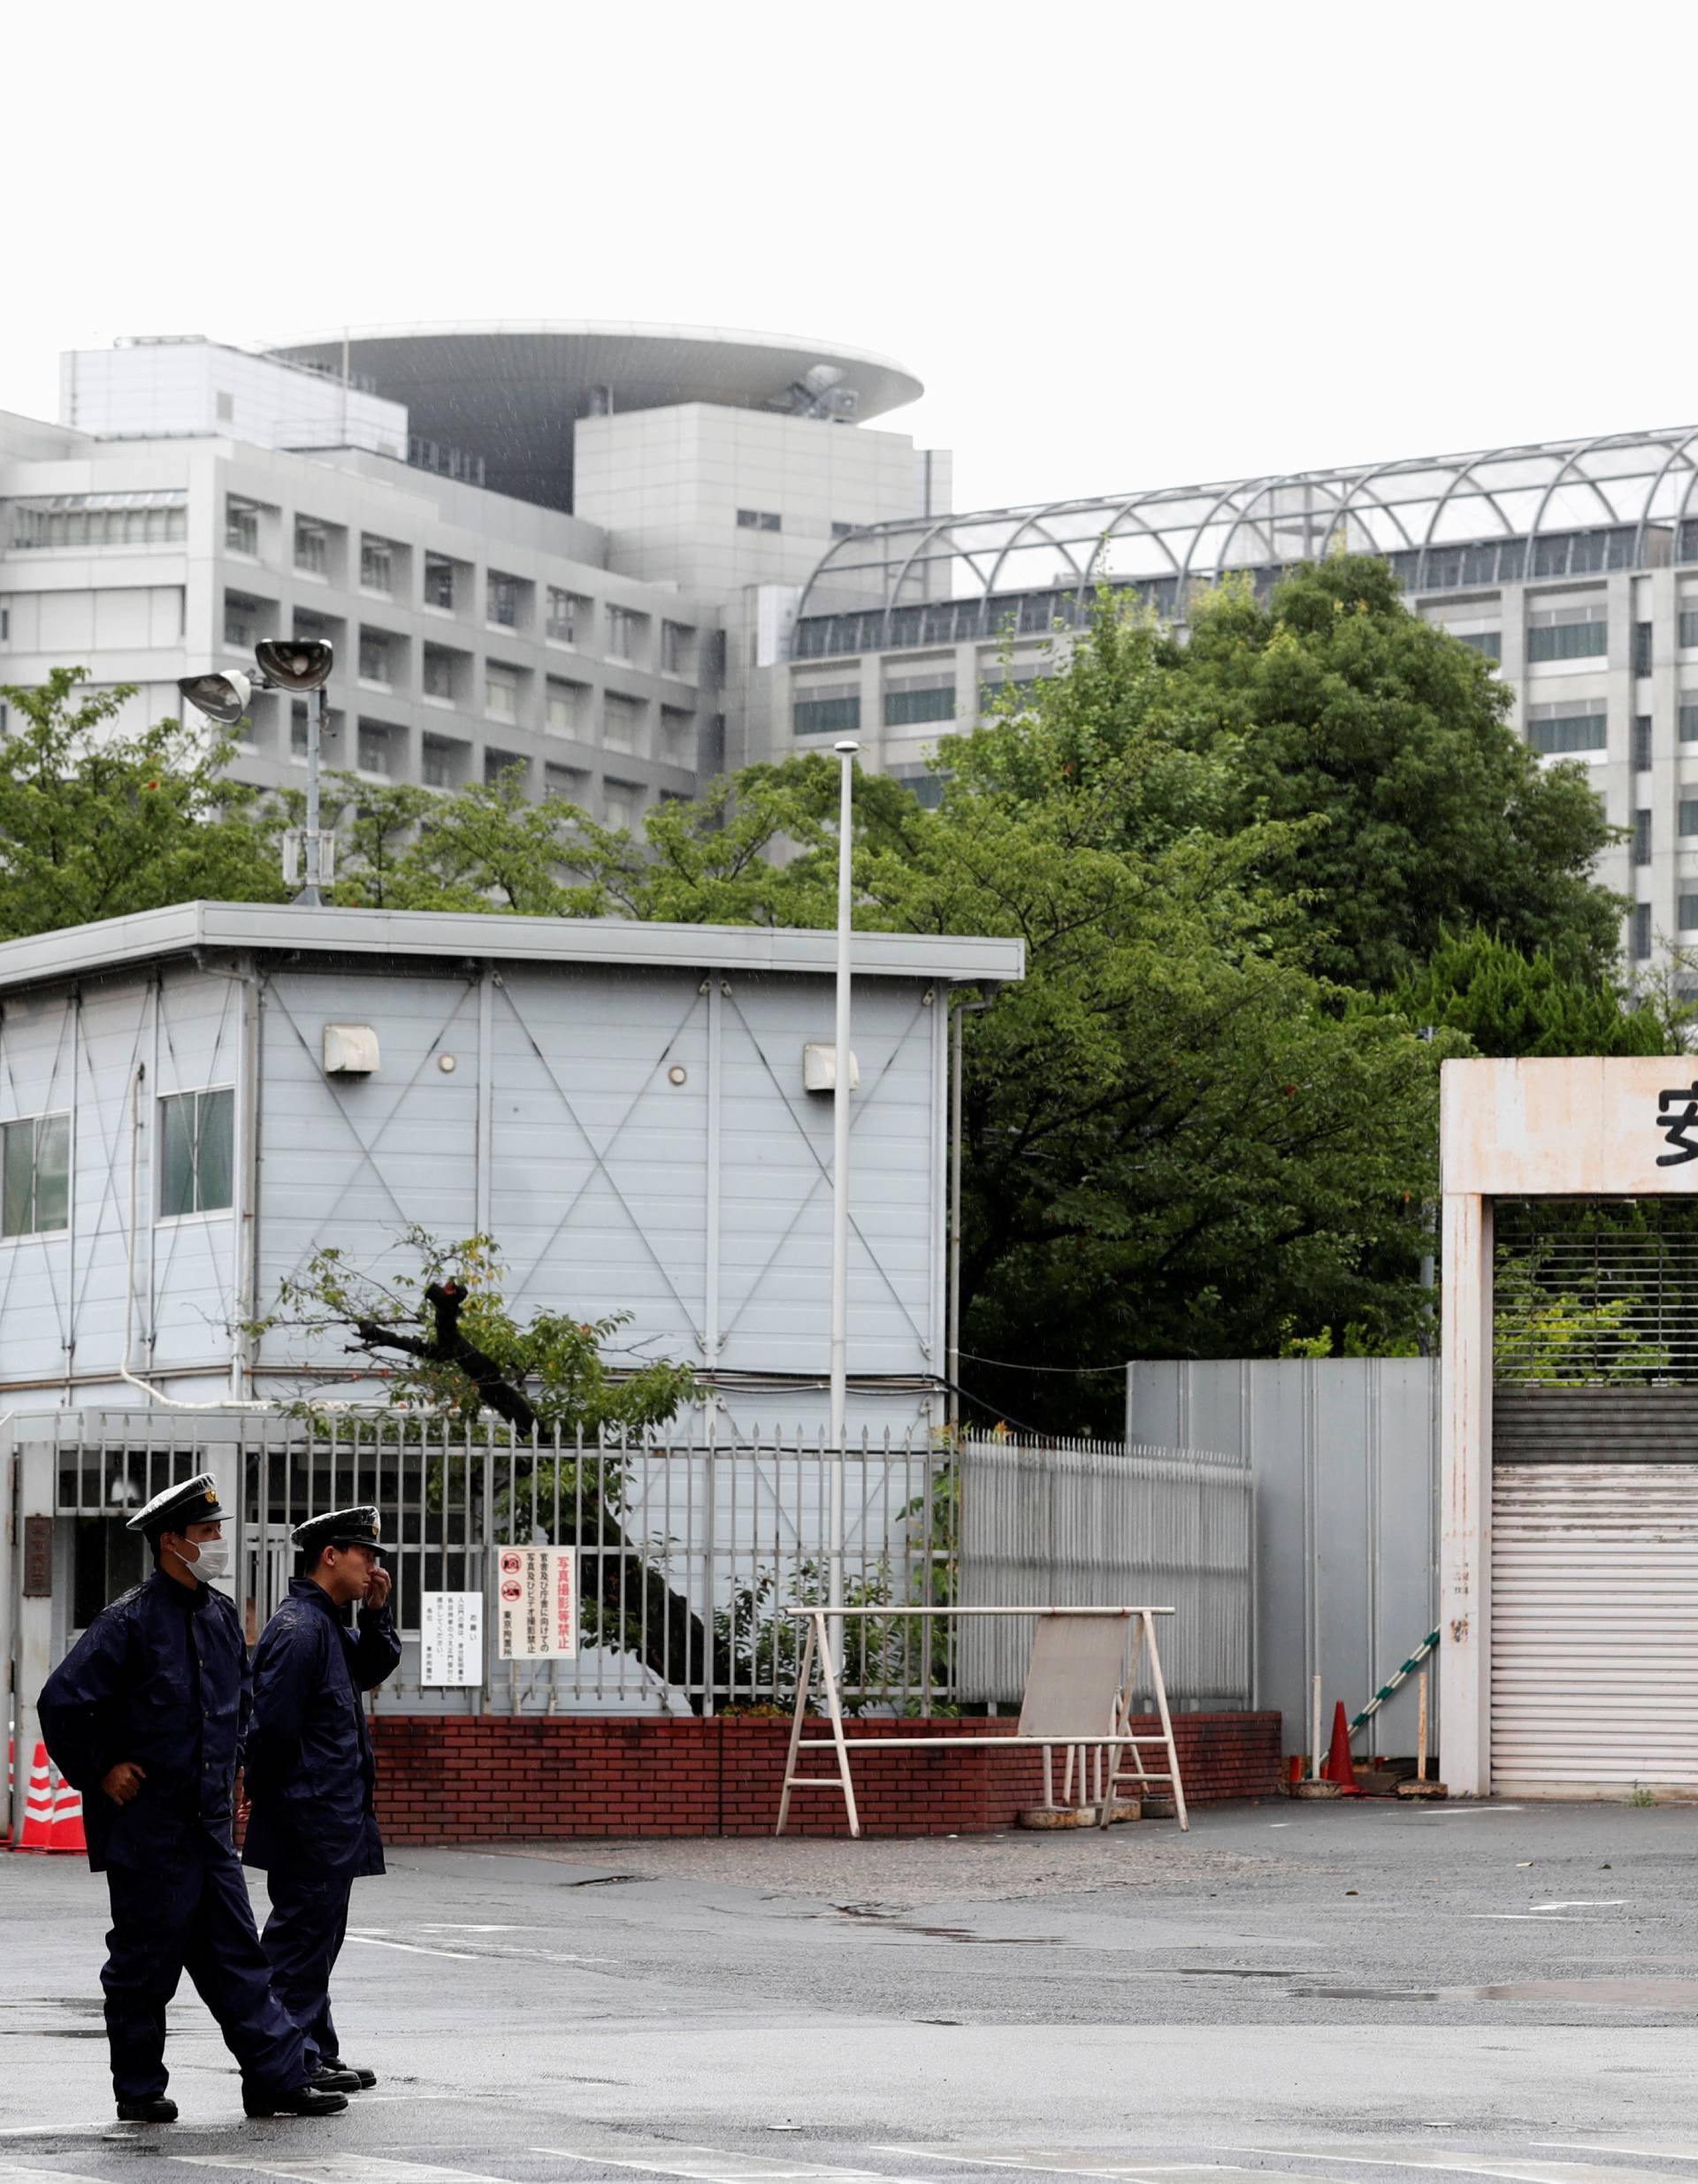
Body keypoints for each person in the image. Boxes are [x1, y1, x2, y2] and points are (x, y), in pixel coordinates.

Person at [36, 1473, 348, 2124]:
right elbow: (61, 1703)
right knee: (144, 1968)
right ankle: (140, 2089)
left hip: (207, 1830)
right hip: (149, 1832)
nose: (216, 1544)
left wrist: (234, 1772)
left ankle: (276, 2079)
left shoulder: (220, 1614)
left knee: (241, 1961)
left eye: (216, 1532)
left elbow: (237, 1705)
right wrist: (101, 1770)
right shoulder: (127, 1622)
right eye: (206, 1533)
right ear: (170, 1542)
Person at [243, 1506, 402, 2095]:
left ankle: (312, 2049)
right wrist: (258, 1791)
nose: (373, 1566)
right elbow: (273, 1728)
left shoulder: (327, 1624)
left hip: (333, 1813)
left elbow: (369, 1667)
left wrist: (379, 1614)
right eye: (364, 1554)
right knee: (298, 1941)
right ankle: (280, 2063)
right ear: (329, 1555)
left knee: (318, 1939)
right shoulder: (301, 1629)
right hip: (308, 1814)